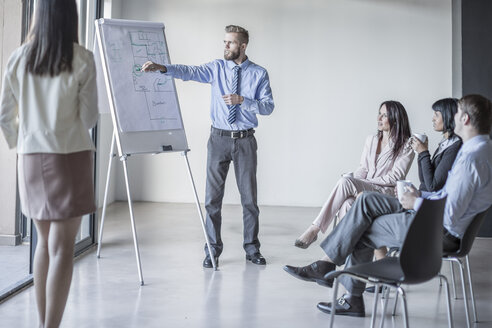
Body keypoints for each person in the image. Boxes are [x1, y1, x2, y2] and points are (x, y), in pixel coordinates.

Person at [284, 94, 492, 317]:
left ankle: (346, 291)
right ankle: (328, 268)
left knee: (360, 226)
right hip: (433, 220)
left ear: (466, 119)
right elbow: (446, 196)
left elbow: (449, 215)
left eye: (457, 113)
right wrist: (421, 196)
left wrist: (417, 202)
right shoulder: (479, 151)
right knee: (364, 201)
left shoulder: (471, 159)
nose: (453, 117)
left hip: (436, 231)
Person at [141, 25, 274, 268]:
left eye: (230, 43)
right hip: (218, 139)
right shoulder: (216, 68)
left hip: (245, 140)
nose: (225, 46)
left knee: (249, 199)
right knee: (212, 199)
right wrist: (162, 68)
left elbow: (268, 107)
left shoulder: (259, 74)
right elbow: (189, 71)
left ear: (243, 46)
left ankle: (252, 249)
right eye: (224, 42)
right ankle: (212, 249)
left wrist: (243, 100)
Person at [0, 0, 98, 327]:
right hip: (70, 156)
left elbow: (4, 116)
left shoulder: (18, 58)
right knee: (63, 248)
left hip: (31, 159)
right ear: (71, 16)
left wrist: (24, 144)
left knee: (43, 242)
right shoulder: (82, 58)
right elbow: (89, 117)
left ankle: (43, 323)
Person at [295, 101, 414, 249]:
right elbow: (363, 168)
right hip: (366, 186)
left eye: (384, 115)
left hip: (385, 192)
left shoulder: (406, 145)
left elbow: (394, 177)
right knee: (346, 203)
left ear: (396, 119)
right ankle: (345, 254)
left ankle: (315, 228)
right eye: (379, 113)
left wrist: (360, 182)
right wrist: (357, 180)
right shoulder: (371, 140)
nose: (379, 118)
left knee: (346, 182)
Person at [411, 98, 462, 192]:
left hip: (433, 203)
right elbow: (424, 182)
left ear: (449, 116)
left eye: (437, 115)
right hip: (423, 197)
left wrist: (423, 152)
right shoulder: (445, 143)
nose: (433, 119)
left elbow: (432, 187)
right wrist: (421, 152)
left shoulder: (455, 147)